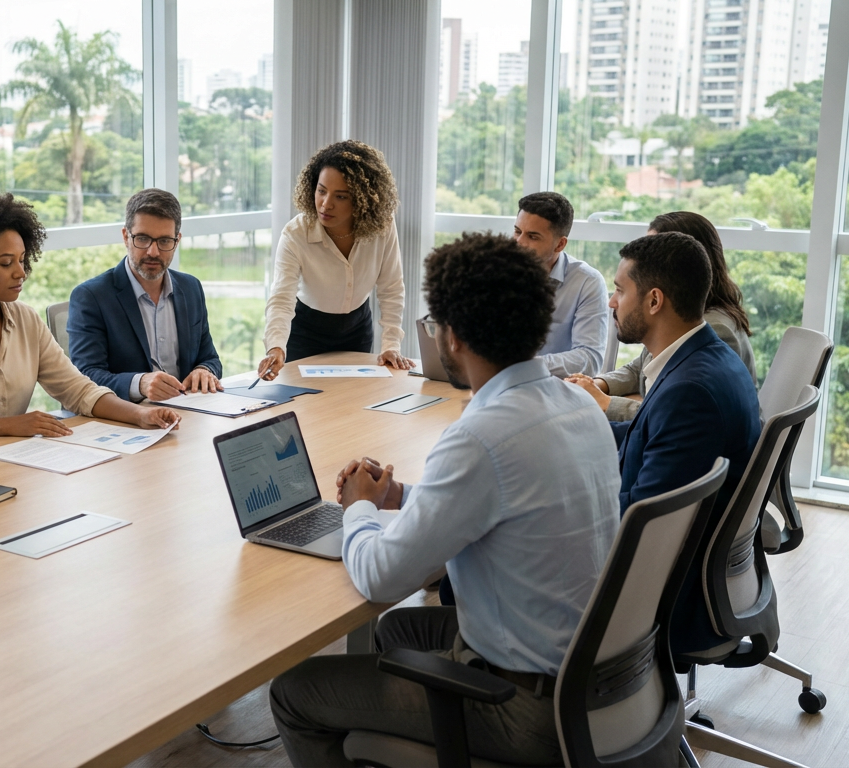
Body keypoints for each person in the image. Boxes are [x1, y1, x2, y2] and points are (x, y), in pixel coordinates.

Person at [268, 233, 621, 767]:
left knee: (296, 691)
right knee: (398, 629)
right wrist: (397, 495)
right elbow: (501, 504)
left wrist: (358, 507)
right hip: (597, 680)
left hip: (525, 708)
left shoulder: (480, 437)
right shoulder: (579, 404)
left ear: (451, 337)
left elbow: (381, 577)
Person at [0, 193, 179, 442]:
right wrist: (3, 427)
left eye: (22, 260)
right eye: (6, 263)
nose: (21, 272)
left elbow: (78, 390)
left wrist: (141, 416)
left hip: (14, 463)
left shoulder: (25, 320)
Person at [605, 231, 760, 654]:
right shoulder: (707, 356)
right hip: (698, 567)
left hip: (666, 597)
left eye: (620, 290)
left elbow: (642, 525)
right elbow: (649, 437)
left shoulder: (690, 391)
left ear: (654, 301)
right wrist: (577, 428)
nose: (611, 301)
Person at [566, 211, 757, 421]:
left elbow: (674, 413)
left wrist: (605, 402)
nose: (644, 259)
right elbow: (643, 367)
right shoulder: (683, 321)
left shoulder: (711, 330)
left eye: (654, 251)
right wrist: (596, 385)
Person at [257, 140, 412, 380]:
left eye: (341, 196)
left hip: (357, 328)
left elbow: (391, 288)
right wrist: (275, 346)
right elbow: (281, 298)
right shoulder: (296, 234)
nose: (326, 204)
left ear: (363, 200)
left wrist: (391, 344)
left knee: (352, 403)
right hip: (305, 331)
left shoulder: (382, 226)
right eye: (321, 190)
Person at [67, 188, 223, 402]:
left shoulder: (191, 288)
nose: (153, 252)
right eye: (142, 239)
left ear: (177, 241)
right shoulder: (91, 297)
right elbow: (85, 377)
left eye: (165, 241)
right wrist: (139, 384)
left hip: (187, 411)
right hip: (126, 419)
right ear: (125, 236)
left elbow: (209, 357)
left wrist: (205, 370)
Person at [512, 192, 609, 377]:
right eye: (517, 231)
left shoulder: (586, 282)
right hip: (494, 386)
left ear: (560, 244)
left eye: (532, 237)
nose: (519, 242)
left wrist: (523, 367)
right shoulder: (495, 272)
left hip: (551, 392)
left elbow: (590, 358)